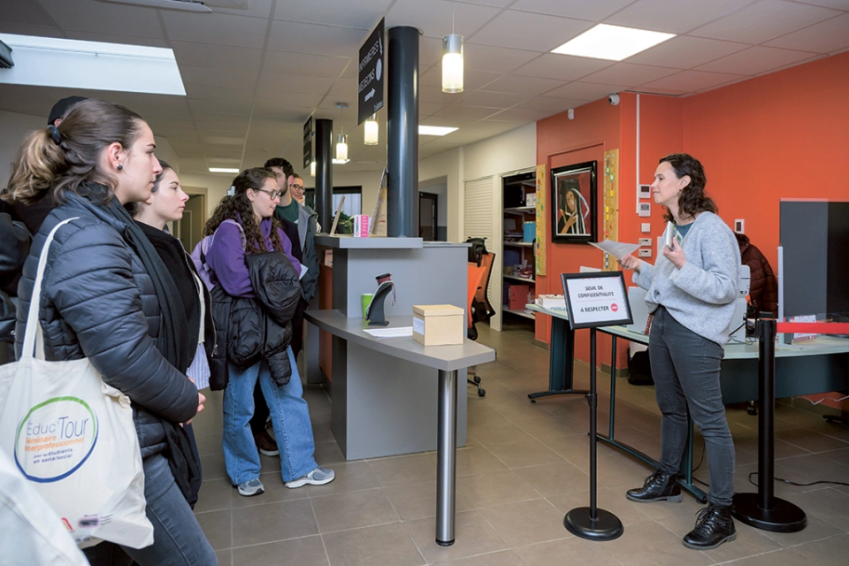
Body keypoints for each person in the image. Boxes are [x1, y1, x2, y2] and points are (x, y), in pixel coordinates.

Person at [2, 98, 216, 566]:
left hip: (121, 430)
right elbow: (121, 353)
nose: (156, 165)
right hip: (121, 439)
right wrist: (181, 395)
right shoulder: (89, 234)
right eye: (150, 152)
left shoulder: (89, 224)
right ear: (116, 156)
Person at [618, 153, 740, 551]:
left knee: (712, 421)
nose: (652, 184)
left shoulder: (712, 230)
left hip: (696, 335)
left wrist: (684, 265)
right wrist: (640, 266)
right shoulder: (671, 228)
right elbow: (670, 282)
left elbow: (725, 289)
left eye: (659, 177)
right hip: (665, 326)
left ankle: (721, 512)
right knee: (670, 407)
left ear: (685, 182)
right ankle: (668, 478)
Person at [204, 168, 334, 496]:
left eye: (279, 193)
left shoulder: (275, 232)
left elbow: (292, 272)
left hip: (274, 329)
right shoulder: (228, 232)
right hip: (243, 330)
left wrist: (266, 277)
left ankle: (300, 467)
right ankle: (244, 471)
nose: (278, 200)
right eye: (272, 193)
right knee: (241, 405)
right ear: (250, 193)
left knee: (290, 396)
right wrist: (272, 281)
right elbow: (234, 281)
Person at [127, 160, 215, 508]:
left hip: (177, 371)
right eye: (174, 187)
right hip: (161, 376)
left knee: (184, 460)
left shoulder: (169, 242)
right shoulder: (136, 247)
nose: (184, 195)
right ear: (148, 193)